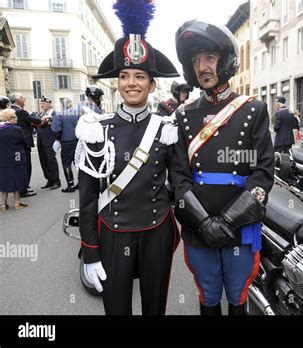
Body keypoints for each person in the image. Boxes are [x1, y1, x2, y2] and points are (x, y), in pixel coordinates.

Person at [75, 0, 190, 315]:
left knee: (155, 309)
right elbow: (87, 197)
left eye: (140, 77)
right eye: (125, 76)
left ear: (152, 85)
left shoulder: (166, 128)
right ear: (117, 83)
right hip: (112, 232)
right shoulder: (96, 129)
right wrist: (90, 251)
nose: (131, 83)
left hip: (156, 231)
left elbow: (180, 180)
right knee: (116, 310)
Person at [174, 19, 274, 315]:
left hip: (240, 226)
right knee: (208, 295)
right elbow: (178, 178)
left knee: (237, 295)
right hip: (198, 226)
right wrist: (204, 223)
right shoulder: (183, 116)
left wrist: (228, 222)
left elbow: (262, 174)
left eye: (210, 57)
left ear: (225, 61)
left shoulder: (253, 110)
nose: (202, 66)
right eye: (196, 60)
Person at [10, 93, 41, 197]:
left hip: (14, 143)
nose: (25, 100)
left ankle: (20, 187)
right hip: (24, 142)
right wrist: (34, 117)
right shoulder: (21, 111)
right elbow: (37, 120)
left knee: (18, 165)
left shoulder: (10, 110)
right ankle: (24, 188)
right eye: (23, 98)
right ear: (19, 100)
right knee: (26, 165)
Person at [0, 109, 29, 211]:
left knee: (4, 180)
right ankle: (17, 203)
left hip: (2, 159)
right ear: (10, 118)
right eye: (15, 117)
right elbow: (23, 142)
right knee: (17, 179)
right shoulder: (16, 129)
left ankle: (3, 204)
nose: (17, 118)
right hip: (17, 157)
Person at [51, 98, 82, 192]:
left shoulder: (59, 114)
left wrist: (58, 139)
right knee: (79, 163)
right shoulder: (79, 113)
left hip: (66, 141)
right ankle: (81, 183)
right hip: (78, 141)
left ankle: (70, 185)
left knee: (66, 163)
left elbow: (56, 130)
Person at [35, 96, 61, 190]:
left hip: (50, 141)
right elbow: (36, 125)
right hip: (40, 141)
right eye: (41, 103)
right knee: (43, 162)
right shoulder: (40, 114)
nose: (42, 105)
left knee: (51, 161)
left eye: (44, 103)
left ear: (50, 104)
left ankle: (56, 181)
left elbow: (57, 126)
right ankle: (49, 179)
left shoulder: (55, 114)